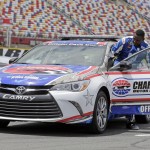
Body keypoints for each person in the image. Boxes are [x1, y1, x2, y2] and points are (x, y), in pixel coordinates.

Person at [111, 29, 149, 130]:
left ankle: (130, 121)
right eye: (134, 38)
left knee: (131, 94)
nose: (135, 41)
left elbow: (148, 61)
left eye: (137, 40)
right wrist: (117, 65)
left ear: (142, 39)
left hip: (134, 70)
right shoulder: (124, 41)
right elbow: (112, 53)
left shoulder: (145, 46)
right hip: (119, 68)